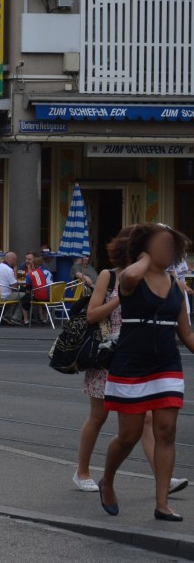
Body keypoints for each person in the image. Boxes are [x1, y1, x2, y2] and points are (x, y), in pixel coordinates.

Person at [74, 226, 188, 495]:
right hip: (109, 354)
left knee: (148, 421)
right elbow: (92, 315)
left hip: (141, 354)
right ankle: (82, 471)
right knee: (99, 417)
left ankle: (161, 476)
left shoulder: (157, 278)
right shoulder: (110, 277)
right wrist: (119, 301)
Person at [99, 223, 194, 521]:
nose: (167, 251)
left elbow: (187, 335)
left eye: (171, 247)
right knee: (129, 436)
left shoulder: (177, 288)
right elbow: (128, 275)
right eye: (161, 246)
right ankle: (108, 480)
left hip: (166, 365)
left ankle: (162, 503)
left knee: (166, 432)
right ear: (145, 248)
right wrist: (141, 258)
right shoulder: (131, 281)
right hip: (131, 364)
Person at [0, 250, 25, 324]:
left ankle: (7, 316)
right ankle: (16, 318)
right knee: (25, 296)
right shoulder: (8, 270)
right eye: (15, 260)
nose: (16, 262)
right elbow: (14, 286)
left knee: (14, 295)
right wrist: (15, 270)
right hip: (3, 297)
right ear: (12, 260)